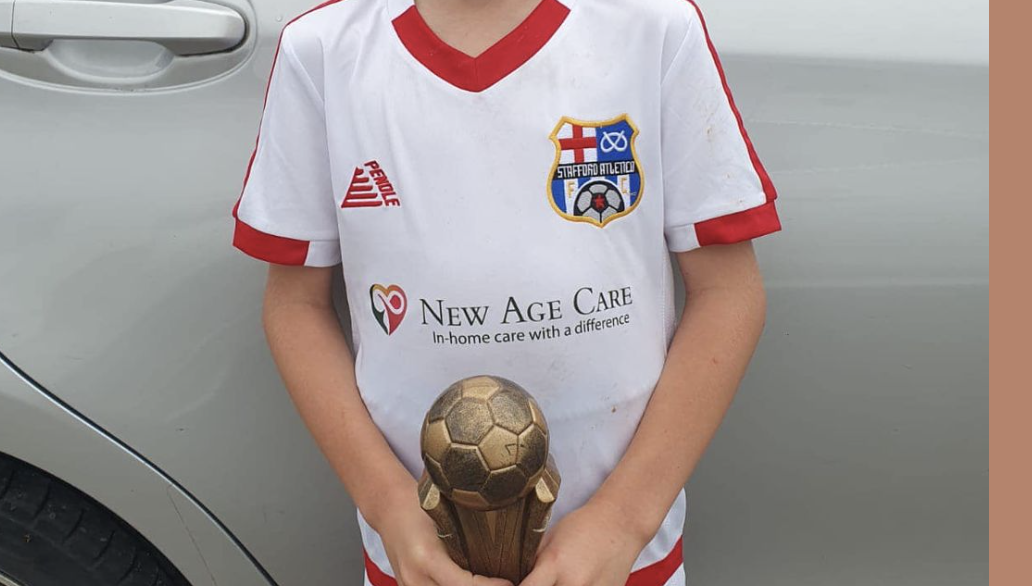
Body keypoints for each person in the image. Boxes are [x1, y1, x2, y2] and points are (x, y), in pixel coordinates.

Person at [231, 0, 780, 584]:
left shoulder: (654, 28)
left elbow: (728, 294)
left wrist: (623, 521)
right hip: (417, 564)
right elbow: (295, 305)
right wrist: (390, 509)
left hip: (623, 563)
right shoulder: (323, 49)